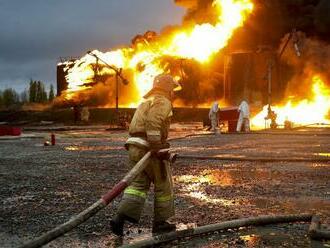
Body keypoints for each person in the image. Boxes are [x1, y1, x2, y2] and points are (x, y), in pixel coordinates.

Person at [110, 74, 181, 236]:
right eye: (173, 89)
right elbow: (153, 122)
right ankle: (160, 224)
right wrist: (157, 146)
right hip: (148, 147)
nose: (174, 93)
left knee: (137, 186)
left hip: (135, 147)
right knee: (163, 183)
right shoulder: (163, 101)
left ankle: (119, 219)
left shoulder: (146, 101)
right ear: (168, 88)